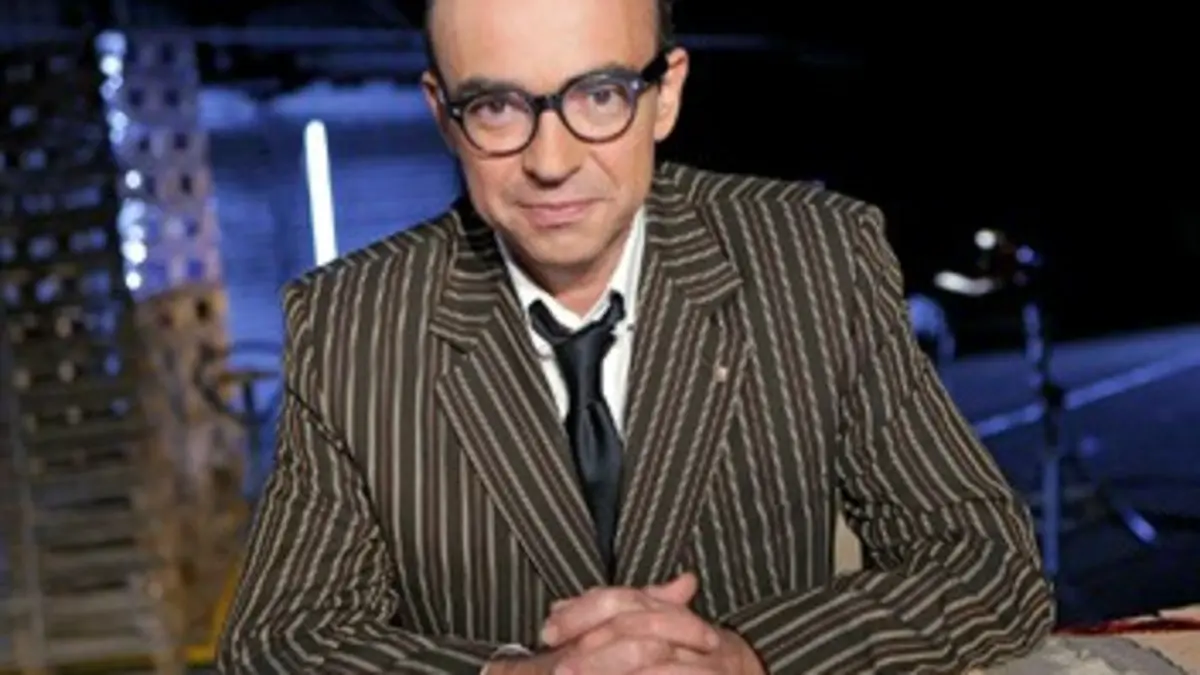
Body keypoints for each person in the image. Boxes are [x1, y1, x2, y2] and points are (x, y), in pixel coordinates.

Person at [217, 0, 1055, 672]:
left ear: (667, 94)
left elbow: (986, 563)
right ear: (443, 113)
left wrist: (751, 656)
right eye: (497, 106)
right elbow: (282, 640)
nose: (551, 160)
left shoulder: (816, 256)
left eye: (599, 95)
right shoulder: (350, 320)